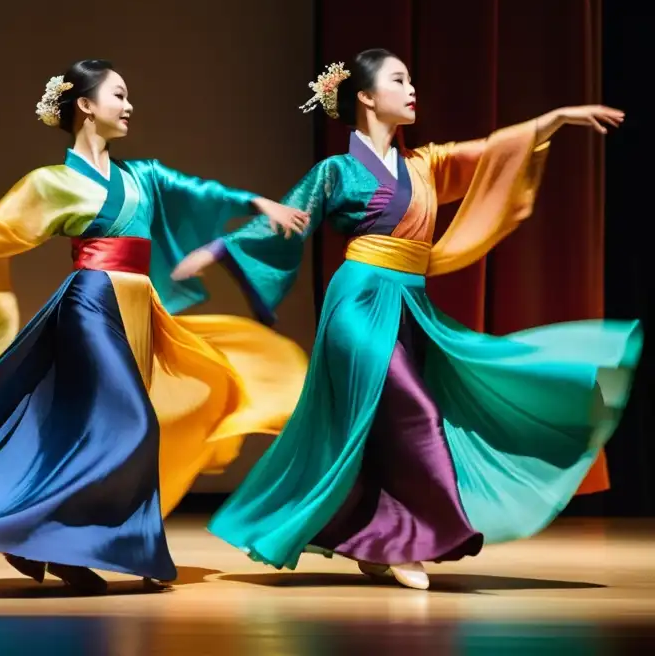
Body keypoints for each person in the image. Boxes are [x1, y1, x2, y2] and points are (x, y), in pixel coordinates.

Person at [0, 59, 311, 593]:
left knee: (103, 433)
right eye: (118, 95)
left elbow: (195, 190)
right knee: (133, 425)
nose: (128, 105)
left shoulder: (138, 175)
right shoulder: (52, 183)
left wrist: (253, 202)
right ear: (84, 105)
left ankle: (45, 539)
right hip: (92, 304)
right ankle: (92, 548)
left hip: (140, 308)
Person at [172, 49, 640, 590]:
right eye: (399, 80)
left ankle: (374, 540)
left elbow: (492, 153)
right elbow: (287, 222)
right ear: (366, 97)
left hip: (410, 302)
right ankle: (408, 542)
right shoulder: (337, 171)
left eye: (411, 79)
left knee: (384, 424)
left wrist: (552, 120)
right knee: (415, 412)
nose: (412, 88)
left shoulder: (425, 164)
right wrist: (216, 252)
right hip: (359, 302)